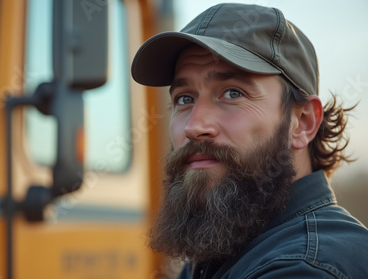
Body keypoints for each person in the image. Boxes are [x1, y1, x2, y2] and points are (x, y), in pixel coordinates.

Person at [131, 3, 368, 278]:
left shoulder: (303, 267)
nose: (195, 126)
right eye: (185, 99)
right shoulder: (224, 251)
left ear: (303, 123)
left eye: (233, 93)